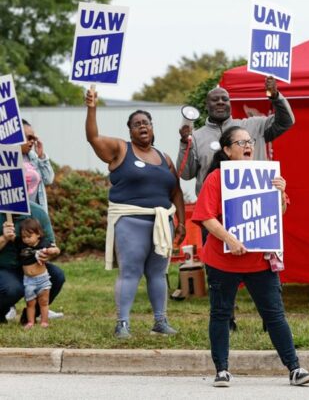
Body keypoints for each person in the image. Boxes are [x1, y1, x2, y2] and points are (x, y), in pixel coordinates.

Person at [191, 126, 309, 388]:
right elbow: (204, 217)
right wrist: (230, 239)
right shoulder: (216, 178)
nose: (248, 145)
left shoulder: (266, 175)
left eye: (250, 141)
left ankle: (295, 368)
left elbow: (279, 213)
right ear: (227, 150)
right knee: (221, 314)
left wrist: (280, 192)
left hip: (259, 261)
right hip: (223, 260)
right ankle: (222, 370)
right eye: (241, 142)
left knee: (274, 315)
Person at [85, 88, 186, 339]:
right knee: (130, 271)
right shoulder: (120, 149)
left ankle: (160, 321)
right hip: (131, 221)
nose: (142, 126)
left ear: (152, 128)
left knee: (157, 273)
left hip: (162, 222)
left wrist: (181, 221)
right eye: (136, 124)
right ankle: (122, 323)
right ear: (129, 130)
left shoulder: (164, 157)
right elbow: (93, 137)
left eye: (146, 123)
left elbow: (176, 191)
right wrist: (92, 108)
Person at [177, 76, 295, 195]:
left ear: (230, 103)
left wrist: (274, 96)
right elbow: (185, 175)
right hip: (214, 209)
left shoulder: (254, 125)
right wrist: (184, 143)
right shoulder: (196, 137)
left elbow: (287, 121)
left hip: (254, 203)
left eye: (225, 99)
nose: (220, 102)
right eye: (215, 99)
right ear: (206, 105)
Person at [0, 202, 66, 325]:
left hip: (33, 266)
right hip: (4, 268)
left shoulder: (38, 212)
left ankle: (30, 317)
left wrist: (47, 254)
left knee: (57, 275)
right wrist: (4, 238)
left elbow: (52, 245)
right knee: (13, 289)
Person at [18, 218, 60, 329]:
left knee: (44, 302)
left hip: (42, 278)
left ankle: (44, 321)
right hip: (29, 280)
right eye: (23, 237)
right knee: (30, 303)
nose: (26, 239)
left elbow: (55, 249)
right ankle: (30, 322)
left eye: (29, 236)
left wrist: (52, 251)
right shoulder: (21, 245)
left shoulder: (44, 243)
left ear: (38, 234)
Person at [20, 119, 55, 214]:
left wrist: (41, 156)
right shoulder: (5, 158)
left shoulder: (33, 157)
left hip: (35, 217)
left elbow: (48, 179)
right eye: (29, 137)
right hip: (14, 217)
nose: (32, 141)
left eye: (33, 138)